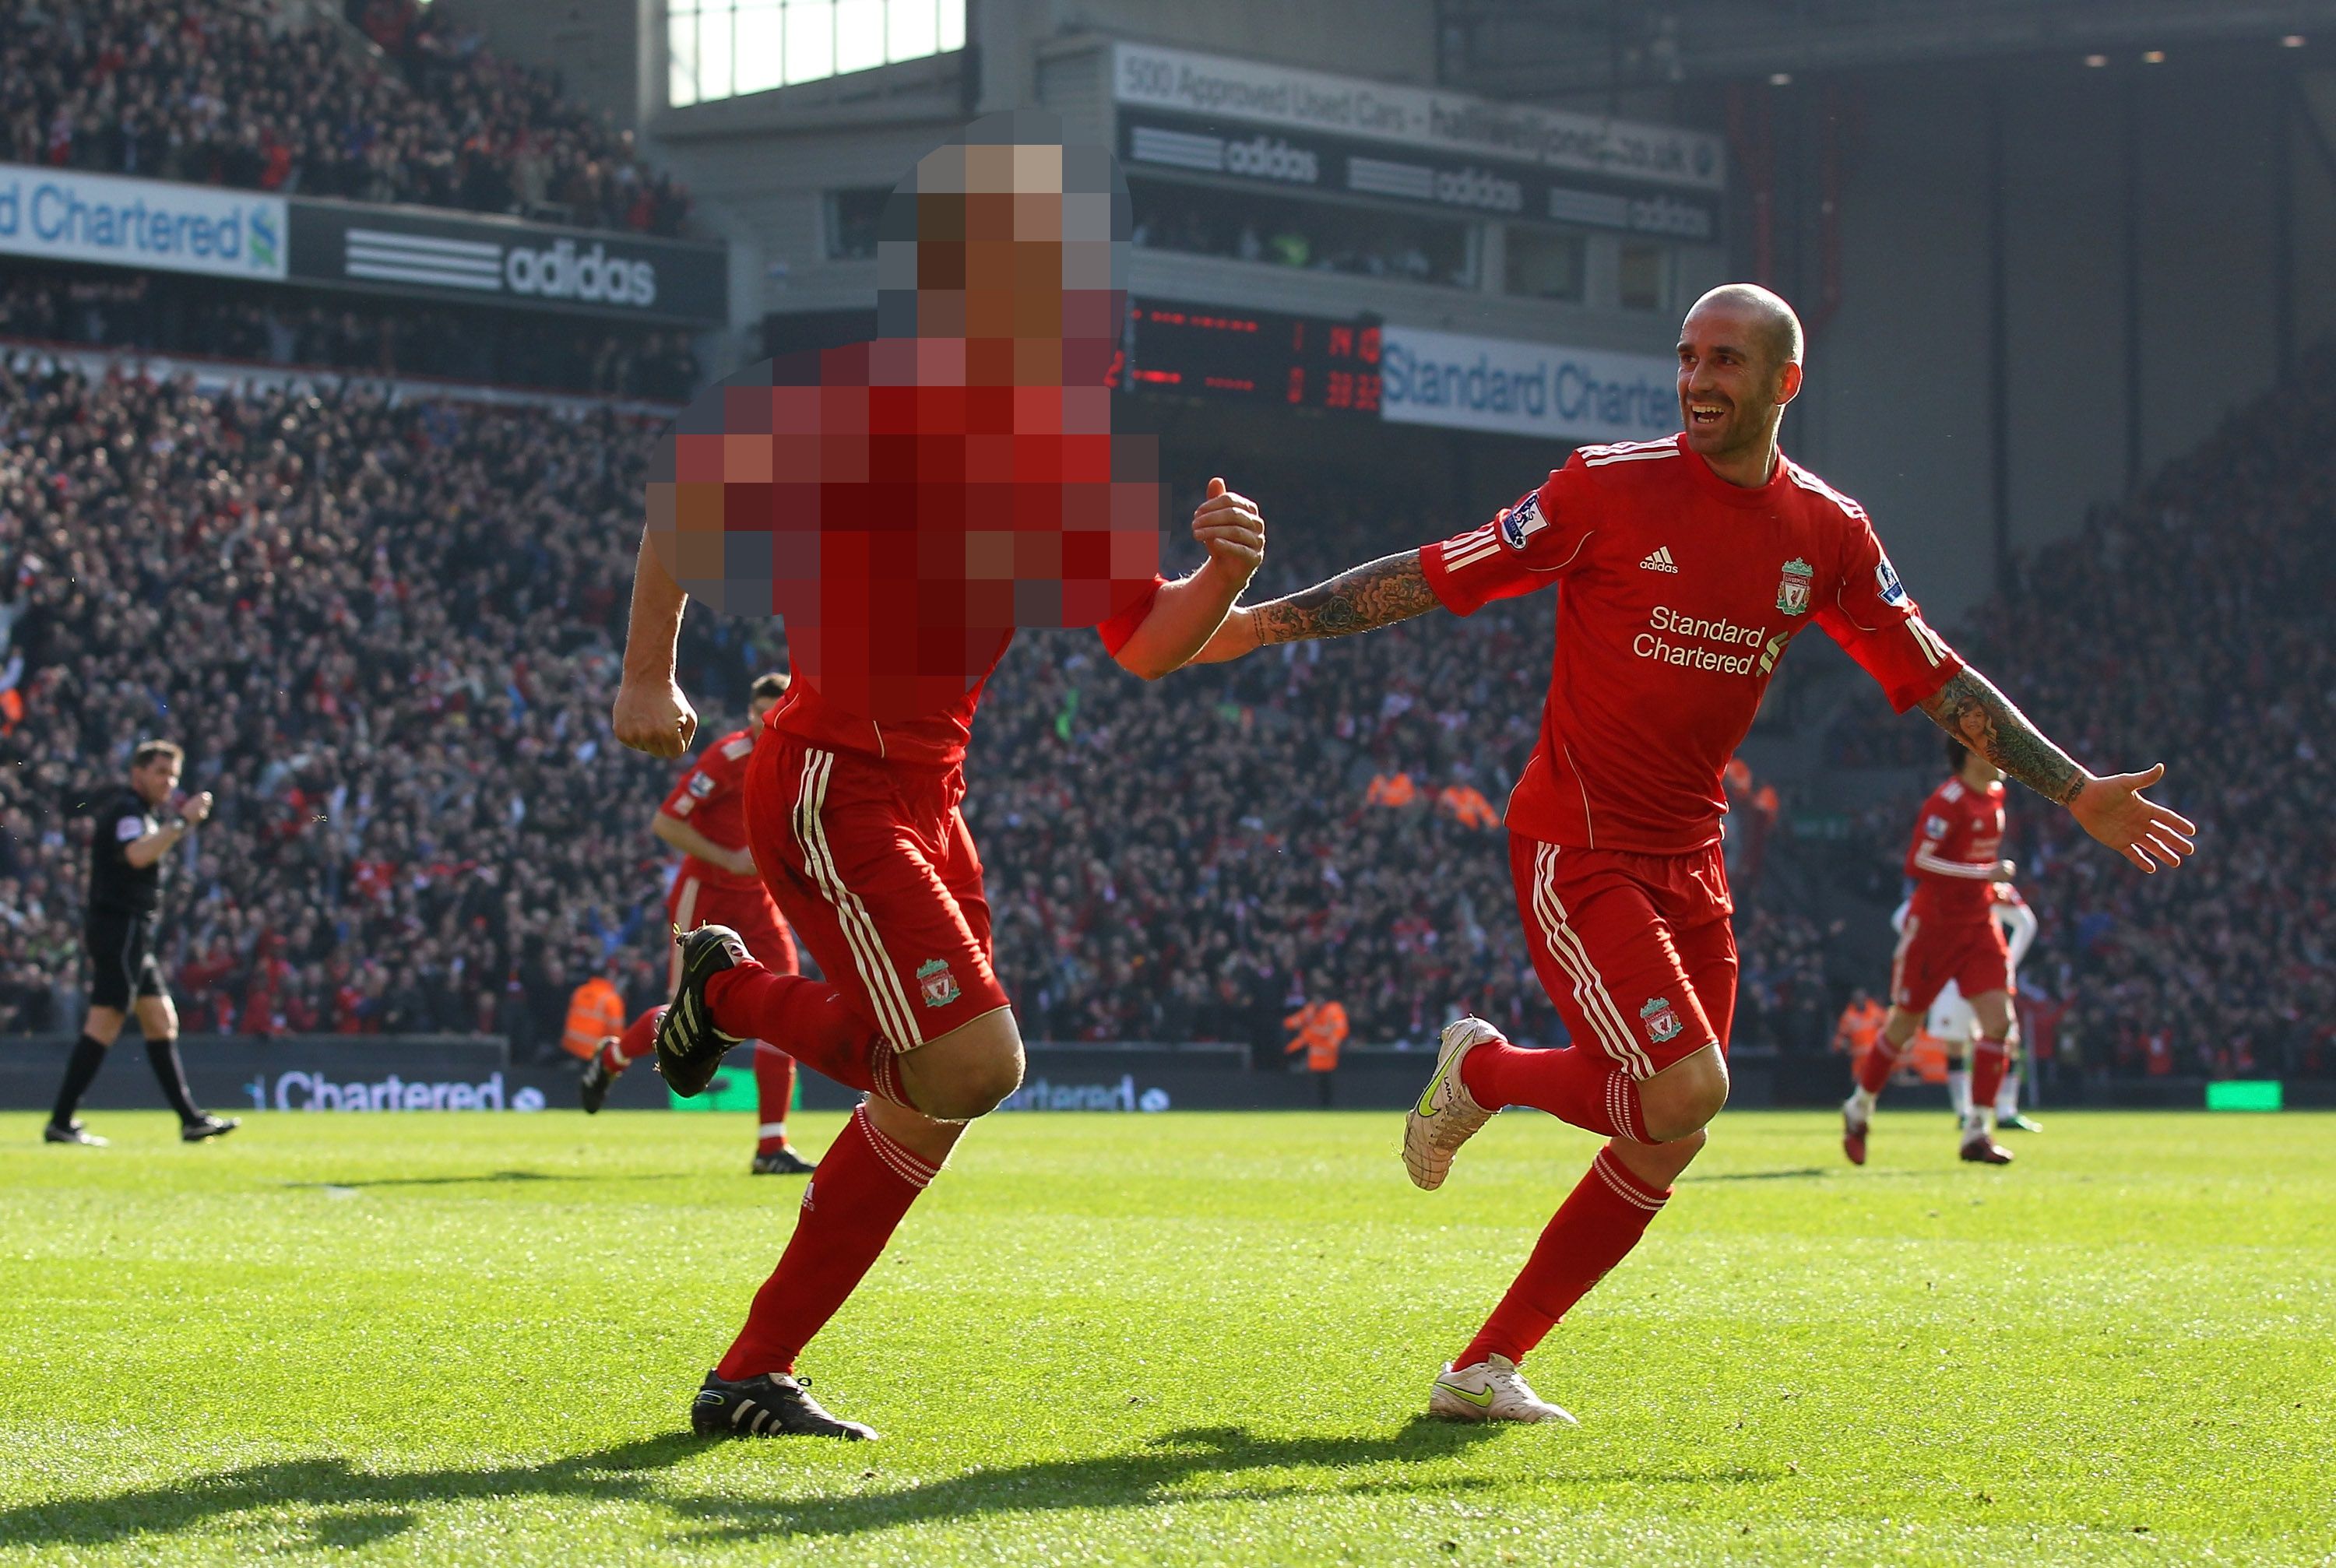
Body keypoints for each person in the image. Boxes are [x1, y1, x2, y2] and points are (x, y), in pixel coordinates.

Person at [1203, 283, 2194, 1423]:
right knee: (1684, 1088)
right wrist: (1260, 625)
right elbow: (1440, 571)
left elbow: (1932, 672)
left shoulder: (1828, 531)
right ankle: (1481, 1073)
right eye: (1686, 357)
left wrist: (2073, 788)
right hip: (1579, 843)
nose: (1697, 379)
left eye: (1725, 359)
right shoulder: (1605, 487)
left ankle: (1483, 1366)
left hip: (1692, 855)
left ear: (1785, 381)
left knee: (1669, 1132)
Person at [608, 120, 1270, 1441]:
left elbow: (1146, 643)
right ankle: (727, 1001)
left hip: (927, 801)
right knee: (968, 1062)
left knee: (938, 1081)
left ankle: (748, 1369)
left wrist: (1224, 573)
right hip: (833, 782)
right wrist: (644, 679)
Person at [579, 672, 816, 1176]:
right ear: (751, 713)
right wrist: (729, 860)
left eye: (776, 712)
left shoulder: (801, 758)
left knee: (786, 1008)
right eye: (759, 714)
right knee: (684, 1014)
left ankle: (771, 1146)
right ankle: (614, 1058)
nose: (767, 722)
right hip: (706, 896)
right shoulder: (726, 758)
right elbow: (666, 822)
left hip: (761, 902)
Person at [1845, 737, 2032, 1165]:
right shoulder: (1947, 803)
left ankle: (1977, 1131)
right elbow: (1919, 861)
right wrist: (1982, 874)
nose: (2000, 756)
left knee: (1999, 1023)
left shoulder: (1996, 795)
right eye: (1990, 749)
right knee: (1903, 1025)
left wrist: (1987, 887)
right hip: (1935, 929)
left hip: (1979, 926)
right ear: (1969, 756)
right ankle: (1859, 1108)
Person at [45, 740, 240, 1146]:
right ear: (138, 773)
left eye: (173, 776)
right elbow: (136, 855)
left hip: (133, 933)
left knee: (160, 1019)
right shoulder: (128, 811)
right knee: (106, 1019)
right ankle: (61, 1122)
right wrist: (182, 822)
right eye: (160, 773)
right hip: (121, 929)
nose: (168, 782)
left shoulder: (142, 813)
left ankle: (190, 1120)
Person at [1283, 983, 1349, 1107]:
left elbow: (1340, 1029)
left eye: (1319, 998)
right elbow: (1296, 1021)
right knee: (1316, 1083)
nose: (1317, 1002)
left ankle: (1328, 1106)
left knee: (1328, 1083)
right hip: (1315, 1054)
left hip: (1329, 1053)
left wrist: (1333, 1043)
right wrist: (1283, 1024)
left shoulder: (1333, 1010)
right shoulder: (1311, 1010)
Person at [1831, 987, 1887, 1062]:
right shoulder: (1848, 1017)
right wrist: (1845, 1044)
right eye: (1857, 999)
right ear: (1853, 1001)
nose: (1860, 1001)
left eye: (1862, 999)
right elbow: (1839, 1039)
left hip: (1876, 1057)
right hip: (1858, 1059)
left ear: (1866, 998)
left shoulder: (1876, 1012)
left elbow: (1888, 1029)